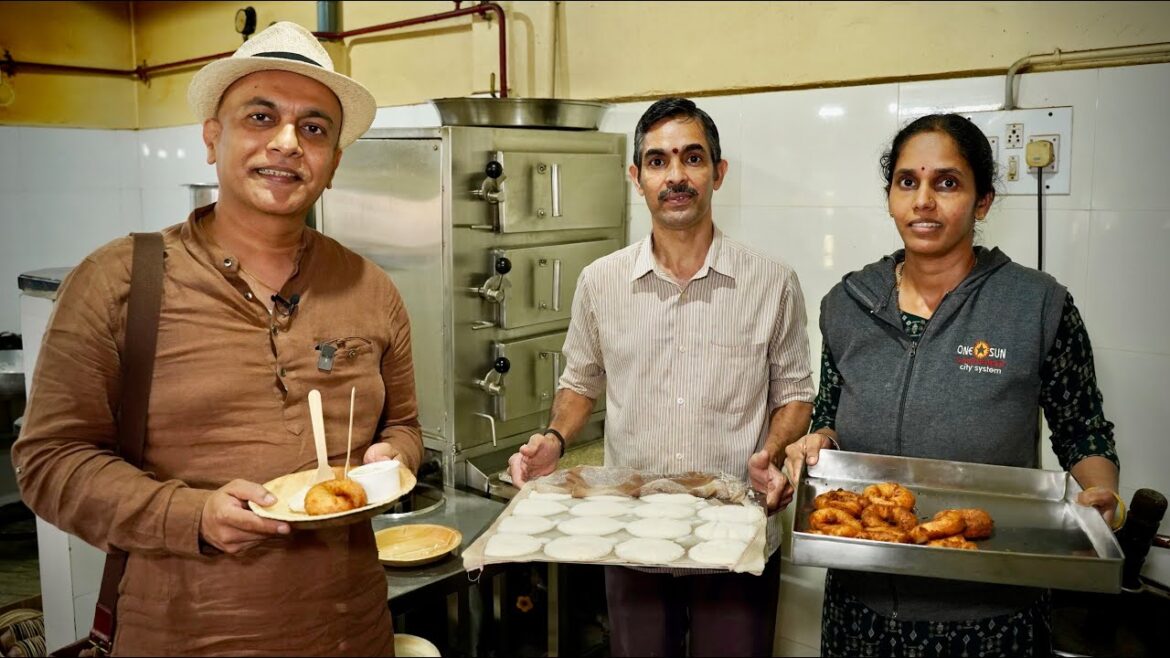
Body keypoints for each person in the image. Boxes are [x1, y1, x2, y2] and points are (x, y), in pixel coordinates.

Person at [13, 22, 422, 655]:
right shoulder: (120, 281)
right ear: (213, 138)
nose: (287, 142)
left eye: (314, 128)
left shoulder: (370, 288)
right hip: (183, 635)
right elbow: (49, 462)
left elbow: (405, 428)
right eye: (261, 117)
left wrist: (391, 460)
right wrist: (192, 515)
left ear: (333, 163)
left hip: (351, 631)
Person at [781, 113, 1120, 657]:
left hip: (990, 616)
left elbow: (1084, 433)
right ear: (891, 195)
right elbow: (829, 415)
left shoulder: (1036, 306)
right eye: (907, 182)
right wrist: (816, 440)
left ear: (982, 201)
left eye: (947, 182)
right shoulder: (846, 305)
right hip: (859, 608)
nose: (923, 201)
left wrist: (1101, 491)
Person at [507, 97, 815, 657]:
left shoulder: (772, 282)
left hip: (733, 528)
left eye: (692, 158)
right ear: (636, 177)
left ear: (718, 173)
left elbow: (795, 395)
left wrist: (771, 452)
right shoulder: (601, 282)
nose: (675, 175)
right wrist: (554, 440)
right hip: (632, 531)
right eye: (657, 161)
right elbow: (581, 381)